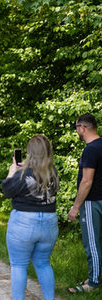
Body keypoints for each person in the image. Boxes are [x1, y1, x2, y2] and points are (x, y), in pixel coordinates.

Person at [1, 135, 59, 300]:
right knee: (43, 264)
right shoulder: (53, 173)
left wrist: (12, 172)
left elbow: (7, 191)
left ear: (30, 152)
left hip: (24, 223)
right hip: (49, 223)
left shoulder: (23, 173)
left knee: (19, 265)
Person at [68, 113, 102, 294]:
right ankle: (94, 276)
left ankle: (93, 284)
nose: (77, 132)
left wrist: (75, 207)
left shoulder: (90, 149)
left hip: (92, 202)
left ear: (83, 127)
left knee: (92, 243)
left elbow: (87, 181)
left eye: (76, 128)